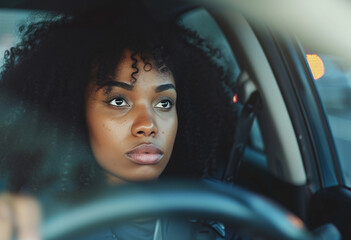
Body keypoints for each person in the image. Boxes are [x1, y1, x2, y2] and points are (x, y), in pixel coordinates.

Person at [0, 1, 238, 239]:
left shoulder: (215, 217)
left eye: (164, 103)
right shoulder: (31, 223)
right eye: (118, 102)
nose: (148, 125)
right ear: (71, 112)